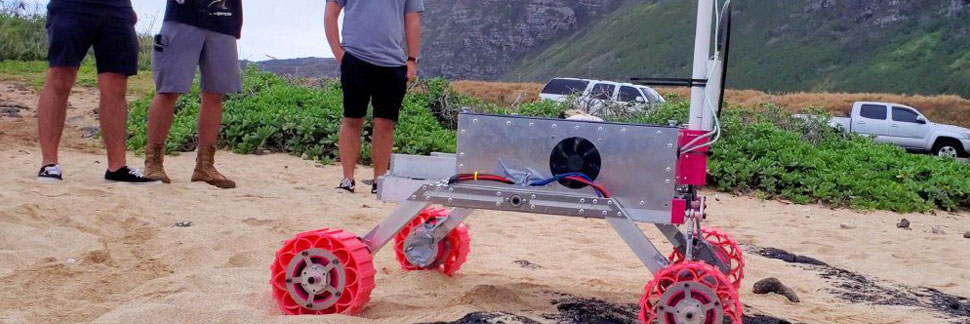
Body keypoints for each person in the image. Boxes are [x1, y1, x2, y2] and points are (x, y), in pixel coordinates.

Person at [37, 0, 158, 184]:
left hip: (117, 7)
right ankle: (49, 164)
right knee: (60, 77)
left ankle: (117, 168)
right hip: (71, 5)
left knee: (116, 84)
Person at [325, 0, 423, 194]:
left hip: (393, 62)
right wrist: (339, 53)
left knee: (385, 123)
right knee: (352, 118)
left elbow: (412, 19)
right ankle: (347, 179)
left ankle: (380, 180)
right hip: (355, 57)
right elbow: (331, 12)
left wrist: (412, 60)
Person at [142, 0, 243, 189]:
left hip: (224, 21)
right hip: (183, 17)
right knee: (168, 89)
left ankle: (205, 166)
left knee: (215, 94)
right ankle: (153, 162)